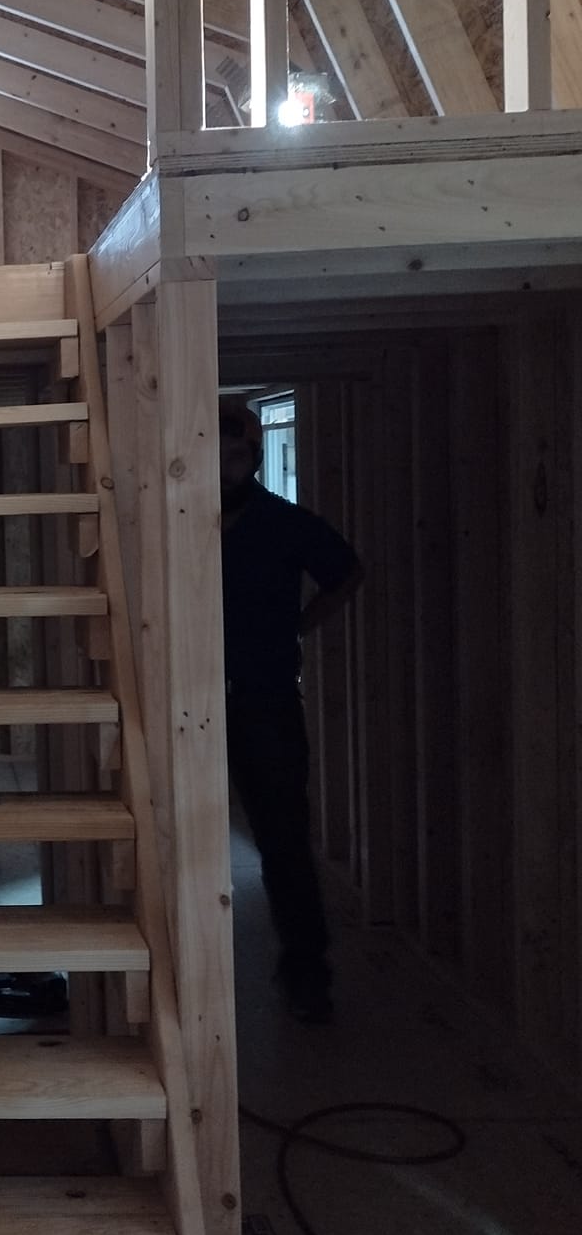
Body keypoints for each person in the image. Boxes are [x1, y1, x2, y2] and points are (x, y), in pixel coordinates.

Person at [219, 397, 362, 1024]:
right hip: (186, 699)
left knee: (282, 838)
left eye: (237, 455)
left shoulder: (283, 523)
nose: (225, 467)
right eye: (215, 455)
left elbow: (346, 573)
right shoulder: (180, 522)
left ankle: (307, 972)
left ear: (253, 457)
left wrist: (298, 628)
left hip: (266, 700)